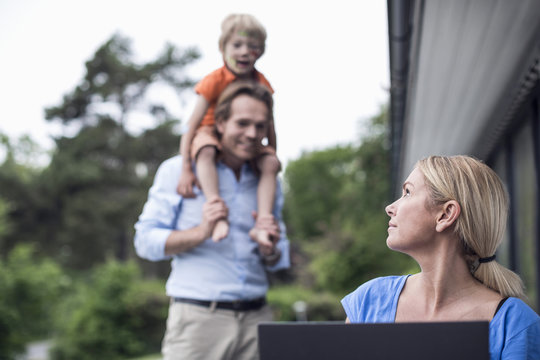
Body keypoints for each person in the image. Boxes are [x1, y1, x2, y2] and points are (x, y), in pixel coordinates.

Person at [134, 81, 290, 360]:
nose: (252, 134)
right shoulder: (178, 171)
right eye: (242, 123)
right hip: (198, 322)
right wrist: (202, 231)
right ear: (219, 122)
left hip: (257, 320)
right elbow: (145, 242)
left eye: (260, 125)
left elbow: (280, 258)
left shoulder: (269, 181)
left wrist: (271, 249)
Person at [341, 155, 540, 360]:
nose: (390, 208)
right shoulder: (368, 300)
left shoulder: (516, 325)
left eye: (408, 192)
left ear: (446, 215)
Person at [177, 13, 281, 246]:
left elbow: (270, 126)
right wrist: (186, 168)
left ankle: (263, 222)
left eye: (252, 47)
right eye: (237, 45)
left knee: (271, 162)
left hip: (242, 140)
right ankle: (216, 212)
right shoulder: (214, 80)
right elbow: (192, 124)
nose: (245, 51)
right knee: (206, 150)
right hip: (209, 131)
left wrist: (270, 156)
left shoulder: (262, 83)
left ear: (261, 52)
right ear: (222, 47)